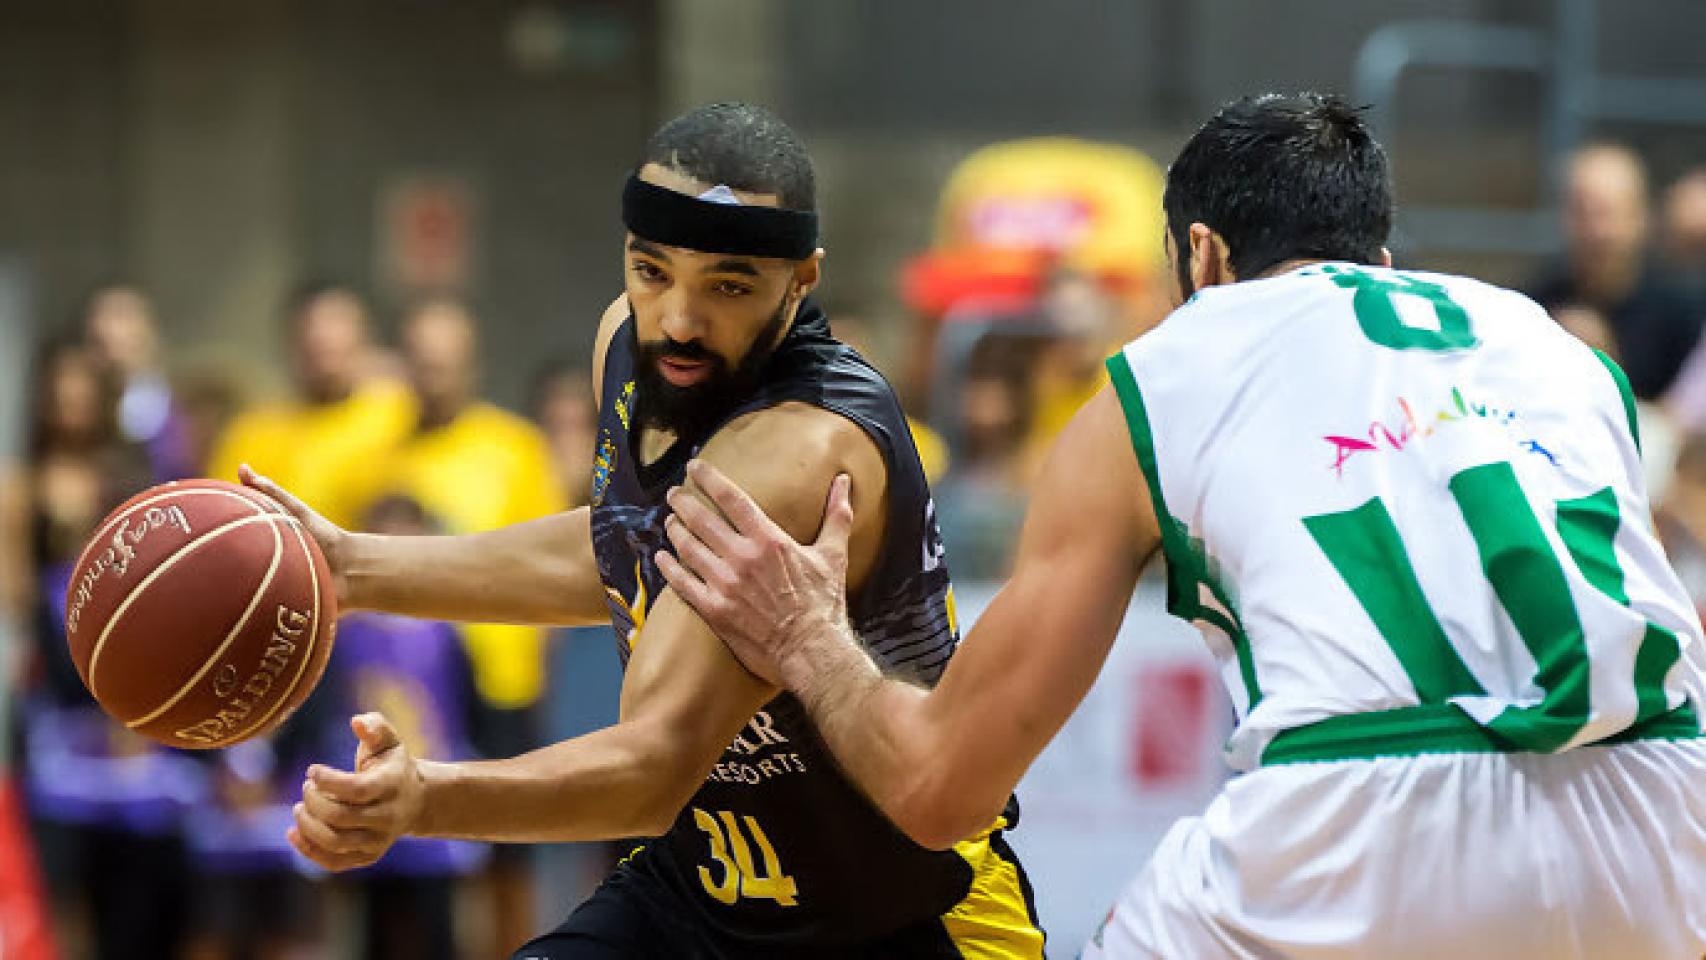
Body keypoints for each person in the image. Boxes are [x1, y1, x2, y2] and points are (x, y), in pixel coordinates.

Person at [657, 93, 1706, 959]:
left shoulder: (1167, 368)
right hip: (1663, 812)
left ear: (1199, 256)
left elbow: (938, 787)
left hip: (1364, 808)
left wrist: (805, 640)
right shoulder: (1562, 352)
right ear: (1378, 252)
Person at [247, 102, 1044, 958]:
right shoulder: (627, 347)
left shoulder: (797, 453)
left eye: (728, 286)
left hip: (895, 915)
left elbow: (654, 765)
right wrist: (350, 567)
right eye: (653, 270)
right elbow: (619, 551)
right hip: (699, 891)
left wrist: (423, 800)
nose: (679, 321)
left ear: (801, 280)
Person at [206, 283, 414, 530]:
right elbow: (221, 520)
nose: (320, 337)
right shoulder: (254, 431)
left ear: (365, 337)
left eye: (336, 325)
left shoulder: (401, 417)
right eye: (309, 327)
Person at [1527, 143, 1701, 399]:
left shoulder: (1684, 317)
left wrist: (1606, 371)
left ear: (1641, 218)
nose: (1595, 231)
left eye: (1606, 213)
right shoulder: (1531, 307)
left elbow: (1688, 423)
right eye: (1581, 212)